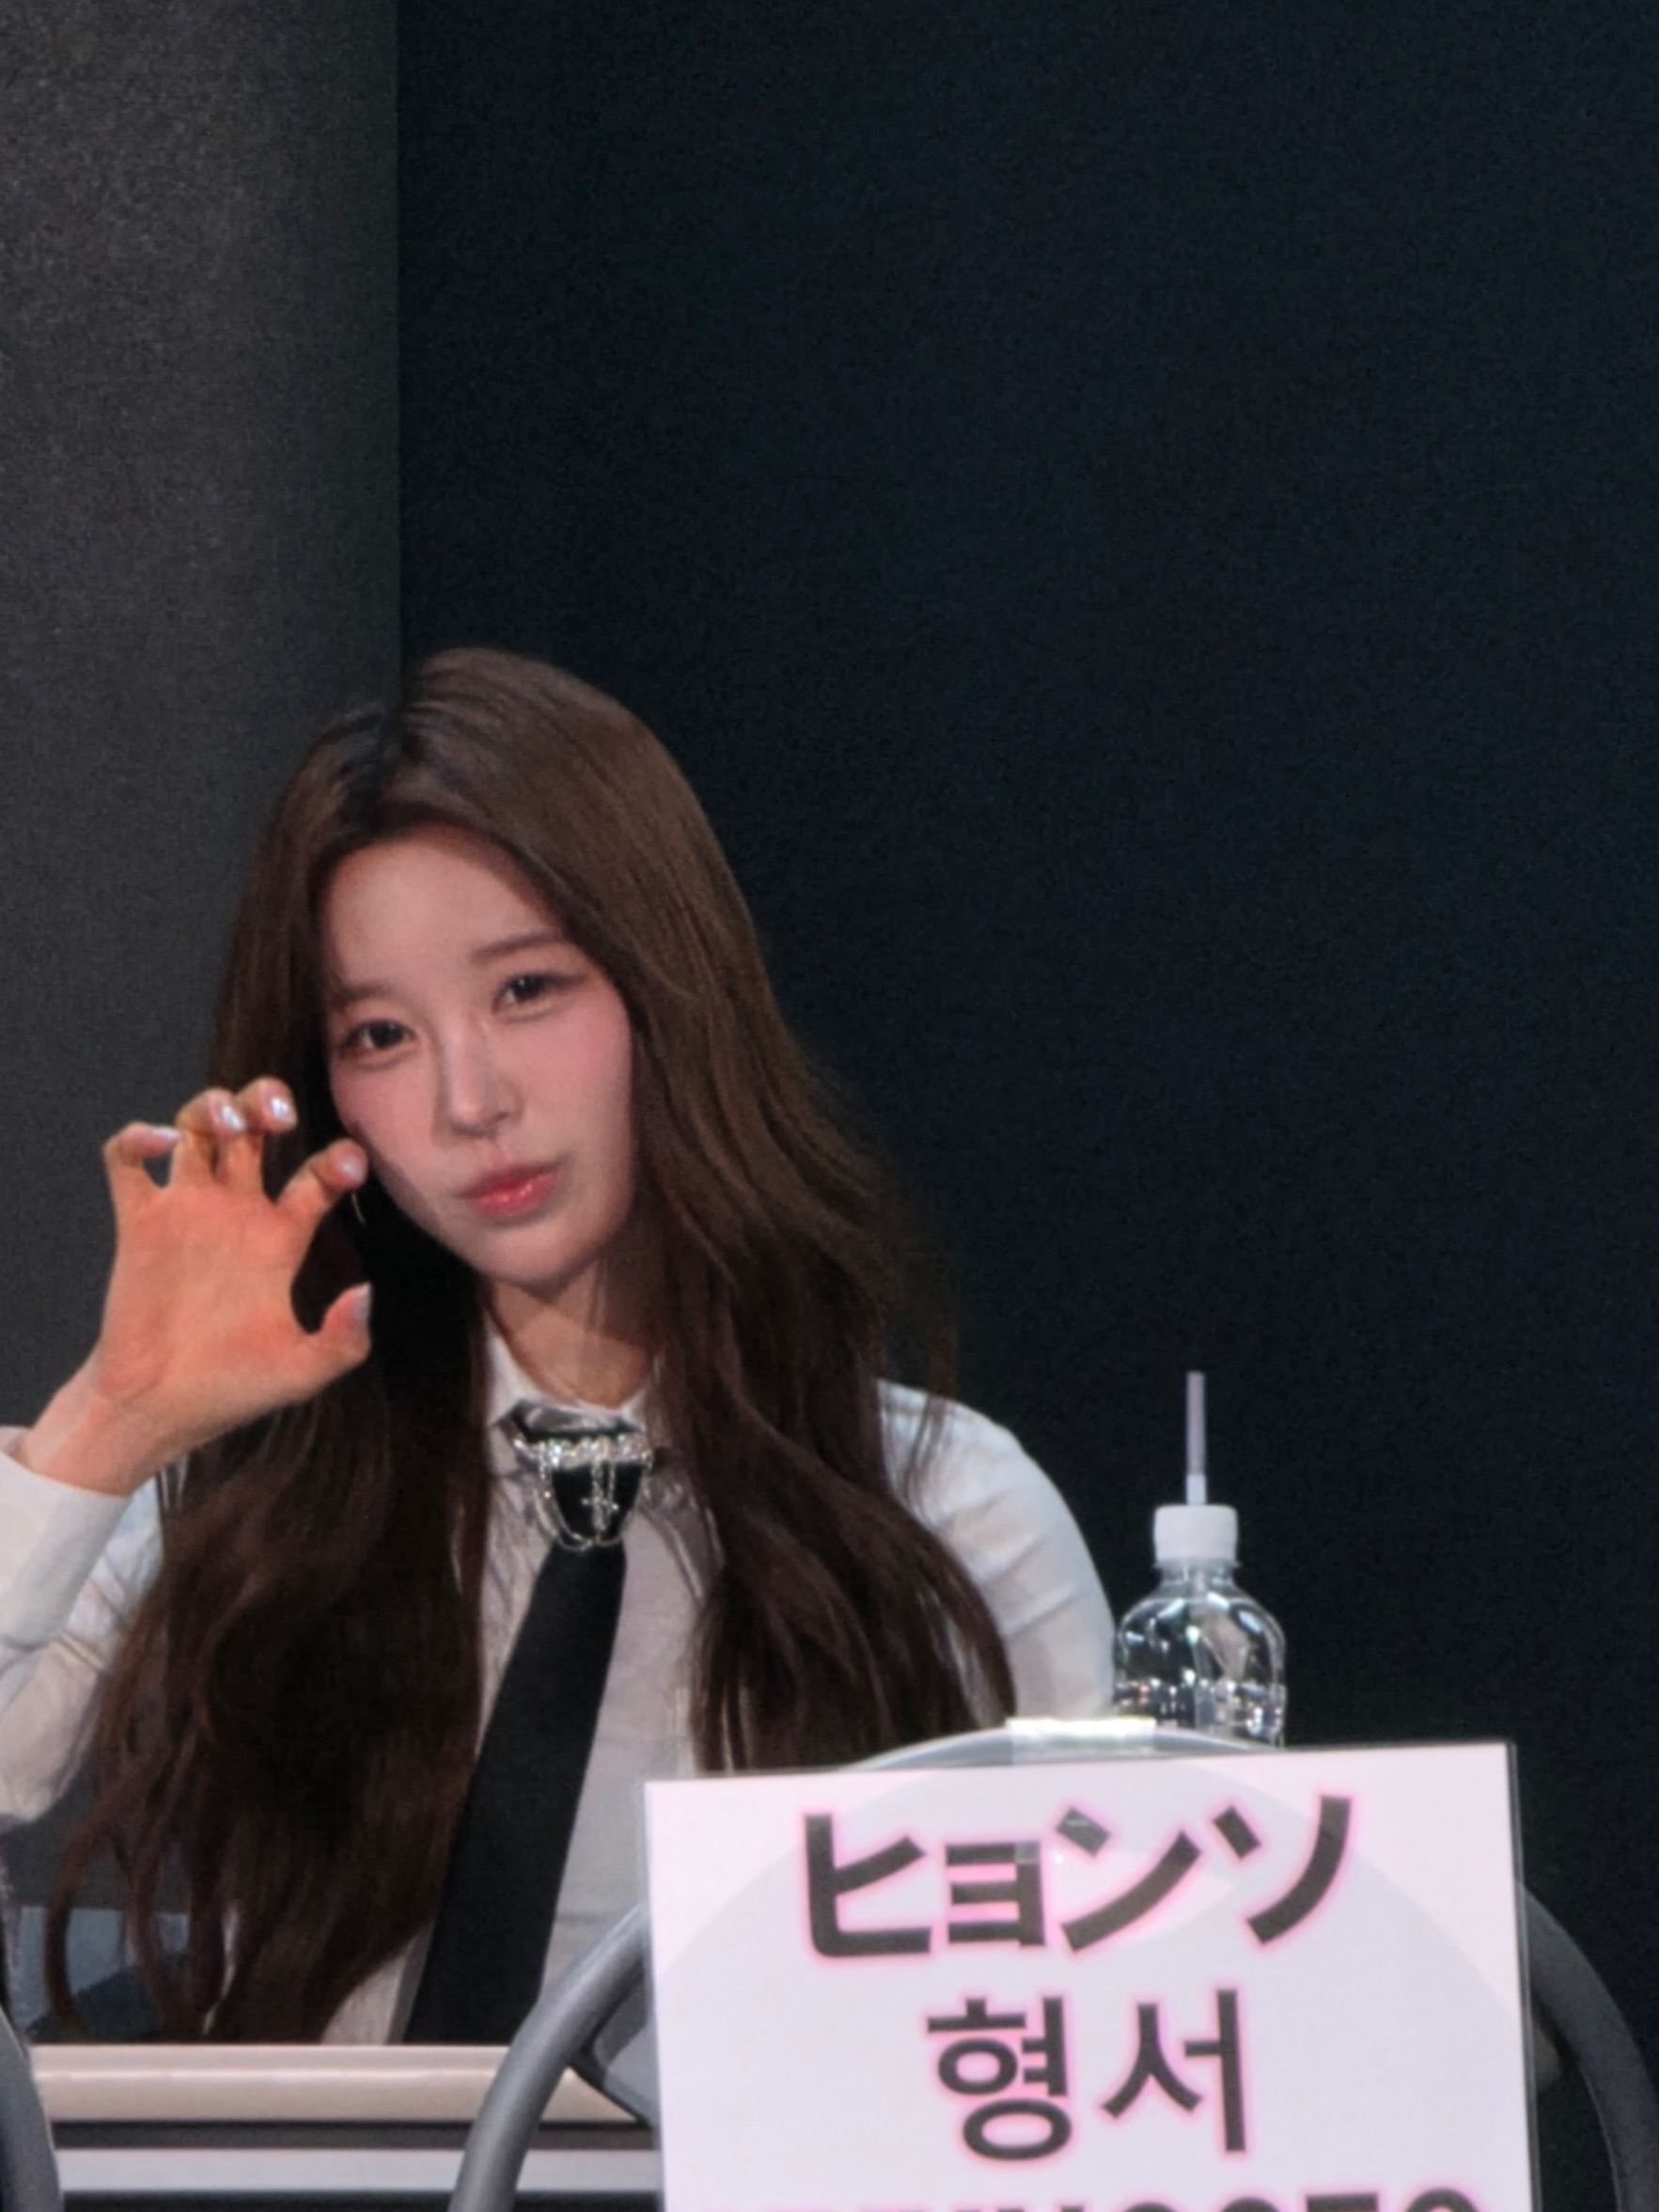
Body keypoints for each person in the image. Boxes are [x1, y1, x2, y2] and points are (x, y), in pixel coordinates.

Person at [0, 649, 1114, 2043]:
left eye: (526, 989)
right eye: (382, 1033)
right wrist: (116, 1417)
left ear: (669, 982)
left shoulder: (946, 1505)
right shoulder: (262, 1488)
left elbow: (1111, 2007)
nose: (470, 1101)